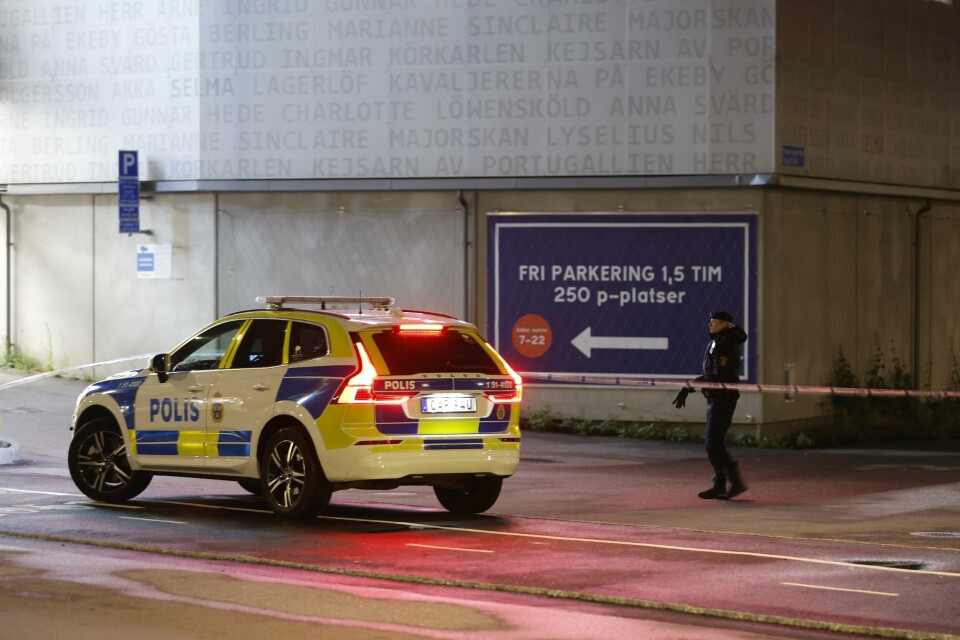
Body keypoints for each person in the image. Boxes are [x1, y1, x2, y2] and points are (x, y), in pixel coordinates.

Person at [672, 310, 749, 500]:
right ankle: (720, 484)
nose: (710, 324)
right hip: (715, 397)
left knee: (713, 443)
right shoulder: (717, 341)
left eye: (714, 321)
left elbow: (718, 375)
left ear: (725, 324)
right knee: (713, 443)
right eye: (710, 321)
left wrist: (692, 384)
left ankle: (735, 481)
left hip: (723, 397)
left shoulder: (726, 344)